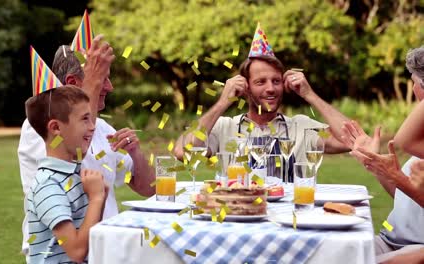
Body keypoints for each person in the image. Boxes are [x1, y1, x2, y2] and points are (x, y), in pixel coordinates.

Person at [18, 36, 156, 258]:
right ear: (73, 83)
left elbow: (148, 188)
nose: (109, 87)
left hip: (106, 250)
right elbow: (75, 158)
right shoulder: (39, 128)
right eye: (103, 79)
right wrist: (92, 82)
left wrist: (136, 154)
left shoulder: (101, 127)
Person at [174, 30, 350, 182]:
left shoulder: (301, 127)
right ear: (246, 87)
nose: (271, 88)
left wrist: (309, 95)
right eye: (260, 82)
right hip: (240, 216)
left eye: (276, 81)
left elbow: (350, 140)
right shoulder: (225, 128)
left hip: (290, 219)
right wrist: (222, 103)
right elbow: (183, 152)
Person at [340, 46, 424, 264]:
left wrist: (397, 177)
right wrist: (376, 165)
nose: (413, 89)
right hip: (389, 239)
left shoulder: (415, 143)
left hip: (416, 249)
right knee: (325, 250)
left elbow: (404, 140)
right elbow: (406, 198)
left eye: (414, 81)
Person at [25, 85, 106, 263]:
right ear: (55, 128)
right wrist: (96, 198)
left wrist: (101, 196)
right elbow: (77, 252)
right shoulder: (48, 185)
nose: (92, 127)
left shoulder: (74, 174)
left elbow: (90, 236)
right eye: (85, 119)